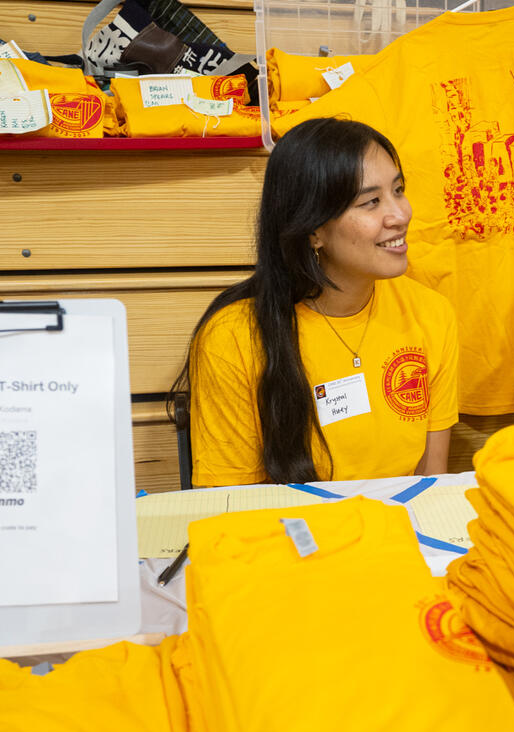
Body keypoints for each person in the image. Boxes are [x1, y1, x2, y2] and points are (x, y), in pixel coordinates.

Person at [172, 117, 459, 487]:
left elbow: (431, 484)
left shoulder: (432, 314)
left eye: (399, 190)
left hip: (400, 536)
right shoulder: (232, 338)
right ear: (314, 232)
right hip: (291, 537)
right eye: (371, 201)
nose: (401, 214)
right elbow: (231, 504)